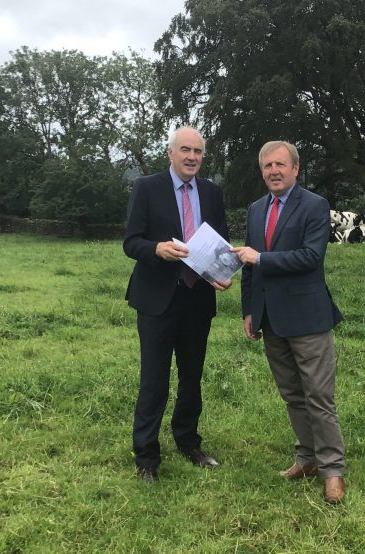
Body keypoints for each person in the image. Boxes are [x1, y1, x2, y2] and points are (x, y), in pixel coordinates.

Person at [232, 140, 347, 504]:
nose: (274, 171)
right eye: (267, 166)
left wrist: (262, 258)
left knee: (319, 397)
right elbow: (249, 268)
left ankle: (333, 471)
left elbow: (310, 257)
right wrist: (249, 310)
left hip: (308, 318)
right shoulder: (255, 209)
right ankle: (306, 460)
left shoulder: (314, 205)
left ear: (296, 169)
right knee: (292, 395)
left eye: (281, 164)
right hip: (270, 318)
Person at [123, 126, 231, 483]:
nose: (191, 157)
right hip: (157, 299)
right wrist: (156, 249)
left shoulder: (213, 193)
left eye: (198, 152)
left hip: (197, 298)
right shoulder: (147, 188)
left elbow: (221, 244)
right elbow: (131, 242)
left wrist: (222, 272)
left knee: (191, 378)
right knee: (154, 380)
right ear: (170, 153)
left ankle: (188, 441)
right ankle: (147, 458)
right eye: (185, 150)